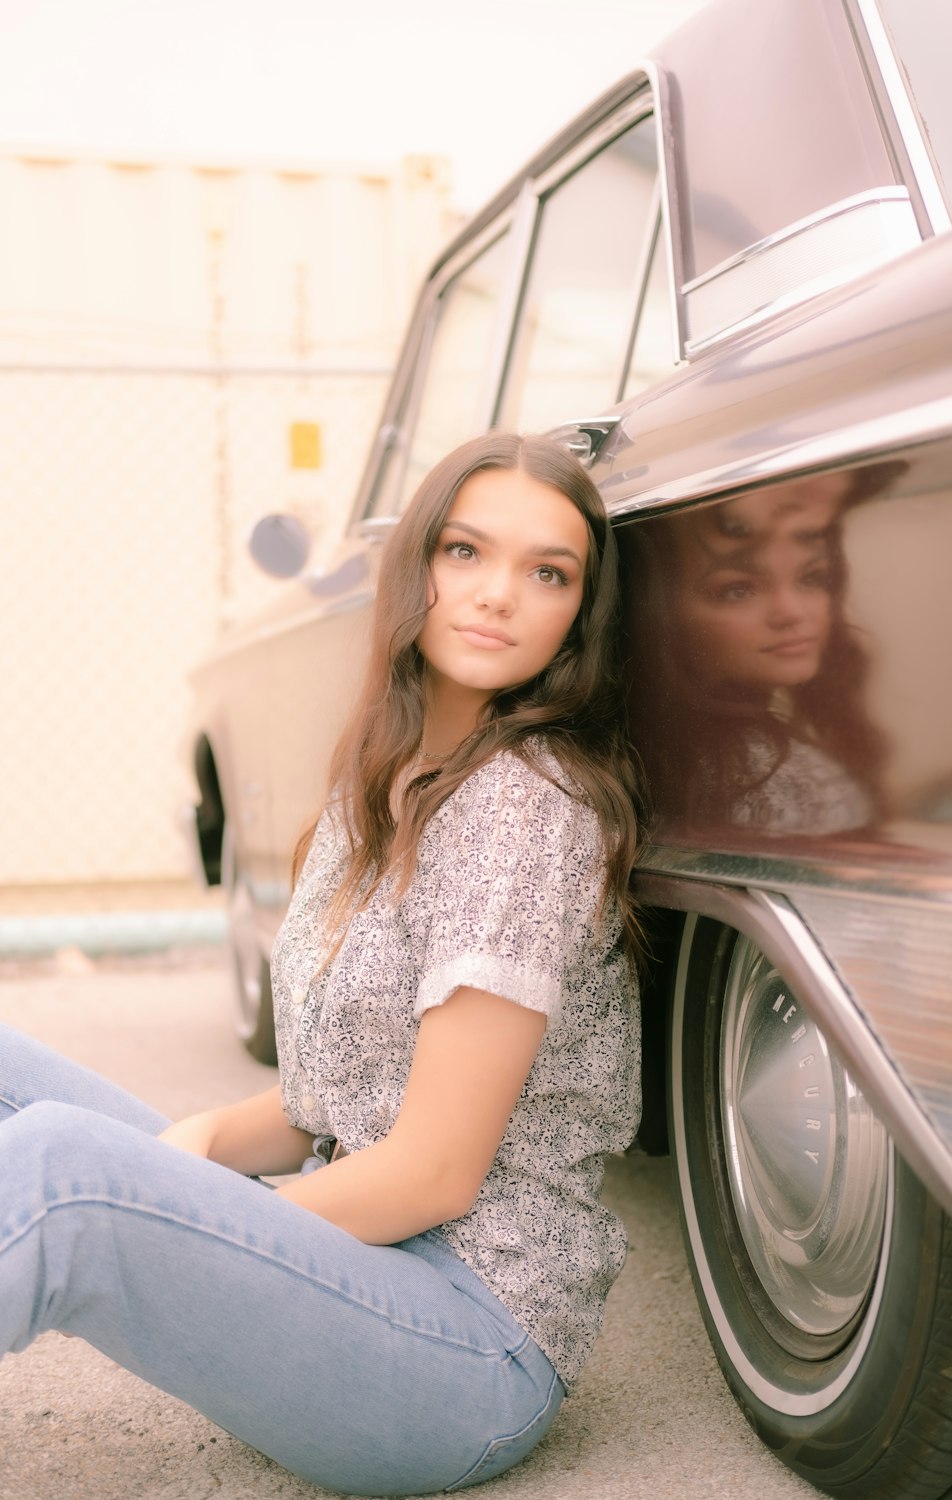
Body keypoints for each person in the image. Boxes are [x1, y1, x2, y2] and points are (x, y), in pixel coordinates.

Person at [0, 432, 644, 1497]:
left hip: (464, 1344)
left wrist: (195, 1223)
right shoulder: (376, 790)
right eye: (465, 553)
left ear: (579, 614)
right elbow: (328, 1102)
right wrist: (198, 1150)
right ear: (415, 572)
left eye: (548, 573)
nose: (497, 597)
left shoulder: (527, 812)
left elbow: (435, 1170)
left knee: (67, 1172)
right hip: (360, 1268)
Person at [624, 471, 890, 839]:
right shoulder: (773, 777)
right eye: (738, 590)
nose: (791, 612)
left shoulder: (636, 754)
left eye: (811, 578)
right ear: (658, 617)